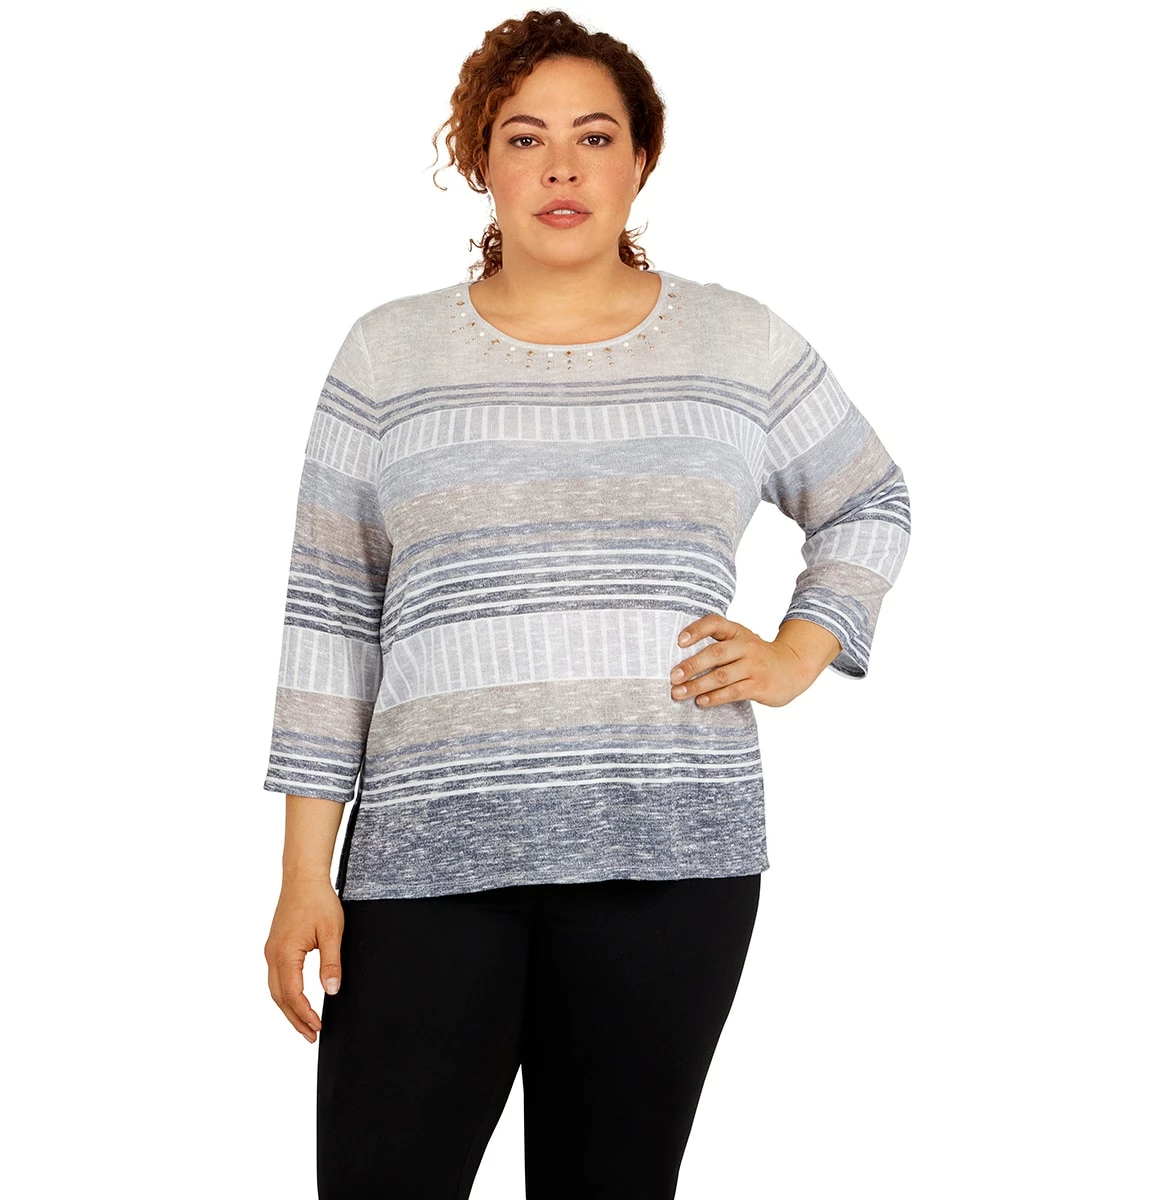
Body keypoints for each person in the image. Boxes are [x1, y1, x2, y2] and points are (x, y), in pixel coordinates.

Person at [262, 9, 911, 1198]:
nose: (561, 167)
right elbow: (332, 611)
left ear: (640, 159)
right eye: (526, 137)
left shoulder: (739, 342)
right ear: (481, 160)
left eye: (595, 136)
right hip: (425, 861)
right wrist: (307, 874)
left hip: (670, 860)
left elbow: (868, 498)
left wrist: (797, 651)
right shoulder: (387, 355)